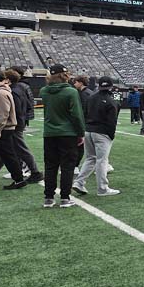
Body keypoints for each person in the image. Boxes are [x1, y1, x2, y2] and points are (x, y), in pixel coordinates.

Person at [41, 64, 86, 207]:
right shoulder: (71, 92)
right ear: (64, 75)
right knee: (67, 166)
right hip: (68, 133)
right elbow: (77, 115)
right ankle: (65, 197)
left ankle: (48, 197)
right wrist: (81, 133)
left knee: (50, 166)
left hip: (49, 133)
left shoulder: (44, 91)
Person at [0, 69, 43, 184]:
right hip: (18, 123)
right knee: (4, 149)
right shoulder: (20, 88)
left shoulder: (14, 91)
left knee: (19, 148)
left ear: (8, 80)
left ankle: (35, 172)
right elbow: (27, 105)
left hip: (14, 125)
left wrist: (12, 123)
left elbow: (15, 110)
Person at [72, 76, 120, 197]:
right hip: (102, 132)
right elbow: (112, 121)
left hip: (88, 130)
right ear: (110, 87)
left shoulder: (91, 97)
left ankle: (79, 182)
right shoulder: (111, 101)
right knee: (101, 161)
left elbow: (85, 113)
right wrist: (111, 135)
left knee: (90, 158)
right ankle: (102, 188)